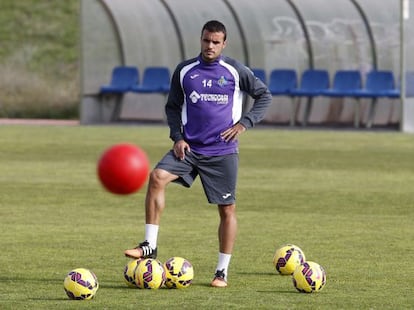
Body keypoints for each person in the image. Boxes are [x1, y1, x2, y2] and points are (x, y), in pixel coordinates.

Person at [124, 20, 272, 288]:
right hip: (189, 149)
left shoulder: (235, 70)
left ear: (224, 44)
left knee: (227, 209)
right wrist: (177, 138)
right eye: (206, 40)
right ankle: (149, 245)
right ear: (201, 39)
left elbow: (264, 96)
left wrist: (244, 124)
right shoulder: (185, 71)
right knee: (156, 177)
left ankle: (221, 272)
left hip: (222, 152)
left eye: (216, 42)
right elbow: (172, 107)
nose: (210, 46)